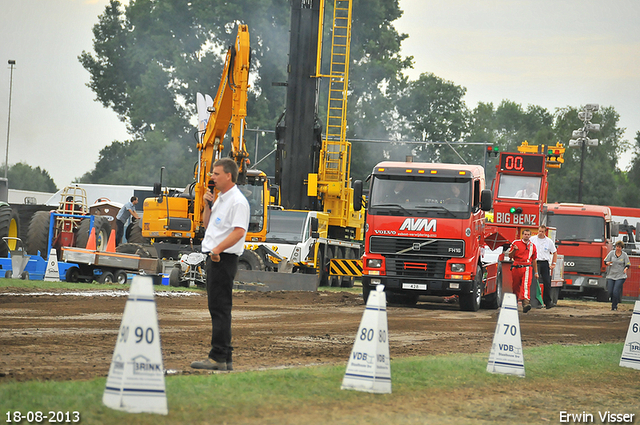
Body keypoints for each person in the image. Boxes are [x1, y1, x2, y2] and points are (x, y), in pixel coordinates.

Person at [191, 158, 250, 371]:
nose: (212, 177)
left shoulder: (237, 201)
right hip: (215, 257)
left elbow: (239, 232)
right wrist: (207, 205)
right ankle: (225, 357)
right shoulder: (221, 199)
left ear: (228, 175)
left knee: (220, 308)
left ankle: (218, 357)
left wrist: (216, 250)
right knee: (217, 307)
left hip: (223, 259)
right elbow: (209, 227)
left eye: (216, 174)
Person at [506, 229, 538, 313]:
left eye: (528, 234)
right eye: (525, 234)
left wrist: (536, 272)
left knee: (526, 285)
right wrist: (514, 250)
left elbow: (534, 259)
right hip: (516, 266)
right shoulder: (515, 243)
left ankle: (525, 303)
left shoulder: (533, 246)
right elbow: (510, 255)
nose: (526, 236)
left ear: (530, 236)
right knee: (515, 285)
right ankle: (514, 302)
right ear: (522, 235)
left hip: (527, 267)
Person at [531, 225, 558, 309]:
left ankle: (548, 302)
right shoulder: (533, 239)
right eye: (539, 231)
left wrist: (553, 263)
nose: (540, 233)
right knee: (534, 282)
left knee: (547, 282)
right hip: (535, 261)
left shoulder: (549, 241)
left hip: (544, 262)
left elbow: (554, 252)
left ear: (545, 232)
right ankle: (535, 302)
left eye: (542, 231)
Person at [604, 240, 631, 311]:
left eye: (619, 247)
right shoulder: (611, 253)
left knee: (615, 291)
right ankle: (613, 300)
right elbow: (605, 261)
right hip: (611, 275)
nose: (618, 248)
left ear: (622, 248)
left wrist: (626, 268)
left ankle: (614, 306)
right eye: (617, 247)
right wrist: (607, 263)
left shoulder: (624, 255)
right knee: (610, 291)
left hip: (620, 276)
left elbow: (627, 264)